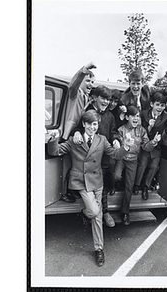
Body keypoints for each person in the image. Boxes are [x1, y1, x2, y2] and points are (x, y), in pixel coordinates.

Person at [47, 110, 134, 267]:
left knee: (97, 216)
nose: (93, 127)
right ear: (84, 124)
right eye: (90, 124)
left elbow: (115, 154)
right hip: (81, 182)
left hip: (97, 181)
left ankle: (99, 249)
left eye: (96, 124)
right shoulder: (75, 140)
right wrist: (53, 138)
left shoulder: (101, 140)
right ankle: (84, 213)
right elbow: (54, 151)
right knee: (94, 212)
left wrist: (126, 147)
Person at [72, 85, 120, 228]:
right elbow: (77, 126)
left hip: (104, 157)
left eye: (108, 99)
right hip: (87, 159)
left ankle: (103, 212)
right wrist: (76, 133)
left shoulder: (110, 116)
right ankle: (96, 212)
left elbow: (113, 132)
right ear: (95, 97)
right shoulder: (86, 111)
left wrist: (116, 139)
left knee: (104, 183)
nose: (106, 102)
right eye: (103, 98)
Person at [114, 106, 161, 225]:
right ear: (127, 117)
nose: (136, 118)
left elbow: (146, 146)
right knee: (116, 177)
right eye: (133, 116)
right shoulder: (121, 129)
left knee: (129, 186)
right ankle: (115, 185)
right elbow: (116, 144)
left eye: (138, 116)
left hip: (133, 161)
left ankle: (125, 212)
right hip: (121, 158)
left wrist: (153, 142)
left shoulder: (142, 131)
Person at [60, 62, 96, 203]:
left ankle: (72, 190)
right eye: (88, 81)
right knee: (67, 166)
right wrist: (83, 71)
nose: (90, 84)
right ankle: (63, 193)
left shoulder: (87, 98)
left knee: (75, 166)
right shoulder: (76, 93)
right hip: (68, 134)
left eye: (92, 82)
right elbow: (73, 84)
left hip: (77, 134)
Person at [134, 92, 167, 200]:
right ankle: (136, 185)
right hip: (144, 146)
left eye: (162, 105)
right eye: (158, 104)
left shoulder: (166, 116)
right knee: (142, 166)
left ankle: (146, 186)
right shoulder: (143, 114)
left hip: (156, 148)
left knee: (154, 167)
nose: (160, 108)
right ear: (152, 104)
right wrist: (149, 128)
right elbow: (137, 130)